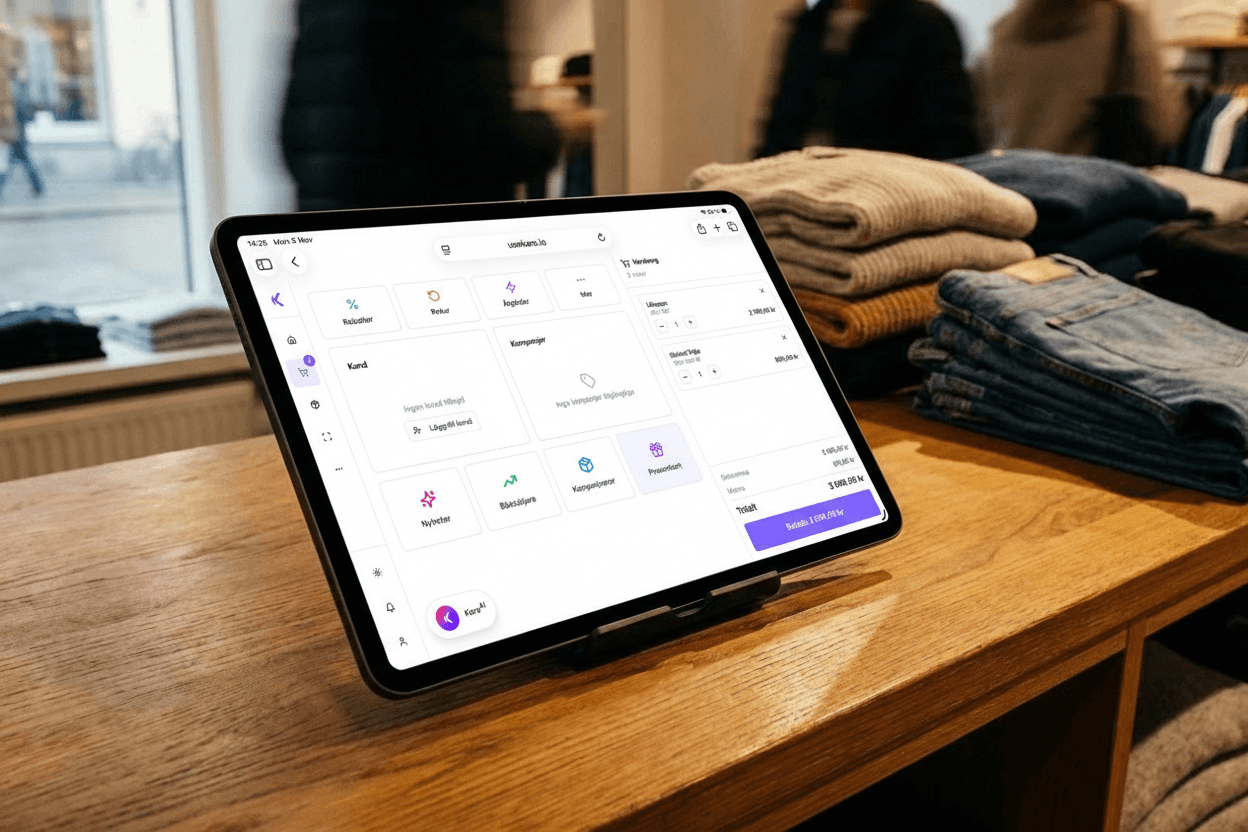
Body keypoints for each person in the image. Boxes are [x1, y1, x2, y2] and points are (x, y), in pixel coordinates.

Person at [281, 0, 561, 211]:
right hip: (424, 243)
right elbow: (482, 140)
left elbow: (295, 136)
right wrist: (556, 128)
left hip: (326, 230)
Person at [759, 0, 980, 161]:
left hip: (888, 188)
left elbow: (951, 134)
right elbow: (780, 124)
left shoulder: (927, 27)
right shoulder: (808, 26)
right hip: (800, 179)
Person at [976, 0, 1185, 158]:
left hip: (1012, 186)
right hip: (1086, 194)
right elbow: (1162, 123)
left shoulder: (1004, 30)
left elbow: (982, 124)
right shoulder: (1121, 23)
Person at [0, 69, 44, 199]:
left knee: (7, 164)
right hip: (17, 135)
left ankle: (38, 187)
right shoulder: (19, 91)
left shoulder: (14, 93)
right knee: (17, 163)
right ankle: (38, 187)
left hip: (15, 135)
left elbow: (19, 115)